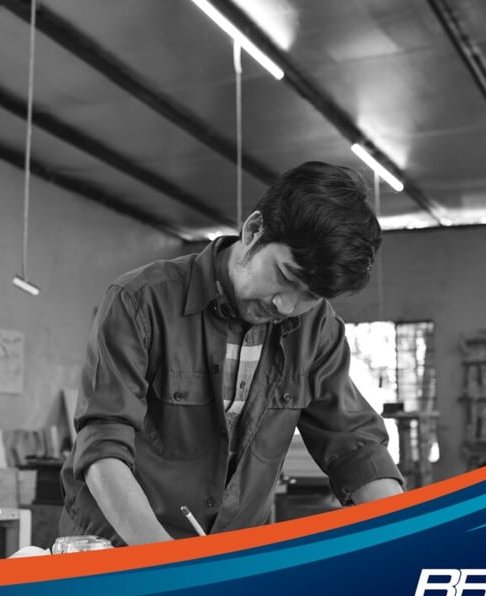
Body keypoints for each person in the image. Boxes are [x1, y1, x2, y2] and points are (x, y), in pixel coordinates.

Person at [59, 160, 405, 546]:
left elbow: (355, 447)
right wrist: (160, 560)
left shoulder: (317, 330)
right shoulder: (140, 302)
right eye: (287, 277)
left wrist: (402, 539)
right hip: (120, 550)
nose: (287, 306)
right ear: (255, 230)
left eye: (311, 295)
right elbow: (103, 444)